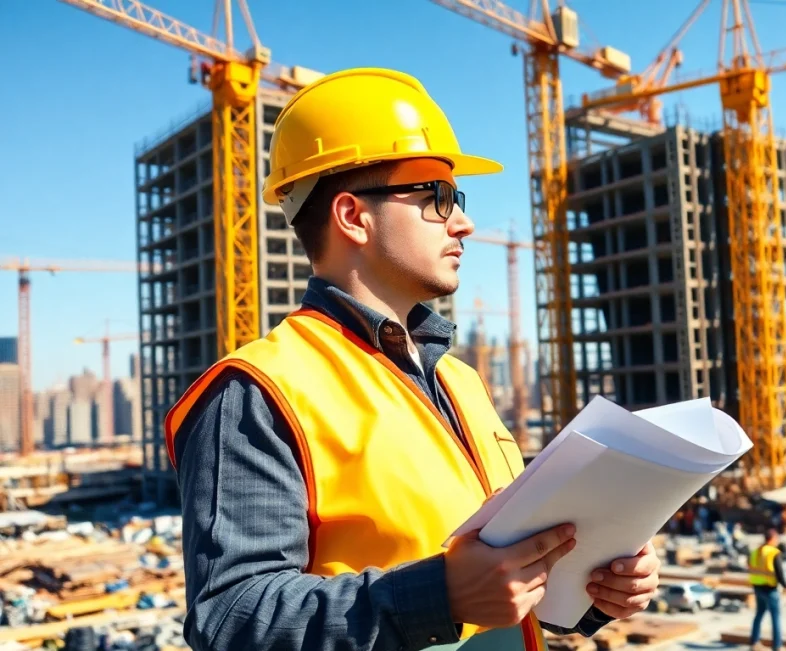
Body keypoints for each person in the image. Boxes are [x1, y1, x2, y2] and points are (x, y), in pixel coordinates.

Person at [167, 68, 661, 651]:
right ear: (354, 216)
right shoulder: (259, 391)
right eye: (437, 197)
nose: (464, 222)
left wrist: (589, 592)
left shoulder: (459, 381)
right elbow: (231, 618)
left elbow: (499, 584)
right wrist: (440, 597)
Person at [748, 529, 786, 651]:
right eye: (777, 539)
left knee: (759, 614)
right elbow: (779, 572)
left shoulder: (755, 552)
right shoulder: (773, 553)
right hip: (770, 589)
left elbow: (750, 567)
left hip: (757, 588)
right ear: (772, 539)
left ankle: (754, 642)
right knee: (775, 617)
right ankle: (777, 646)